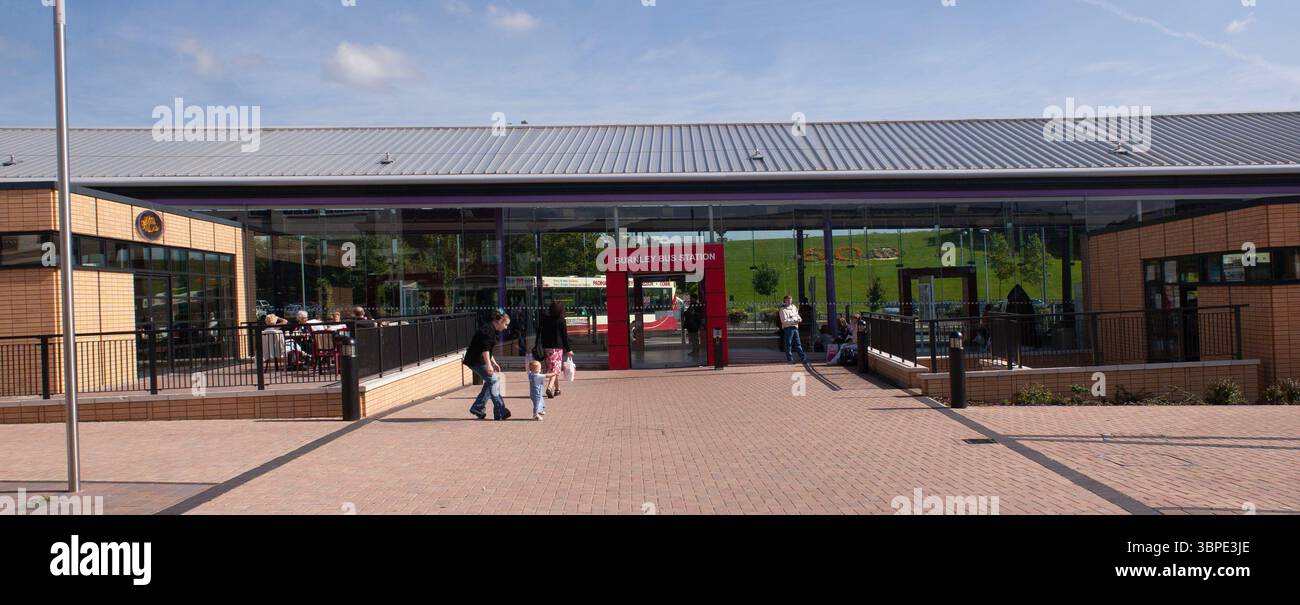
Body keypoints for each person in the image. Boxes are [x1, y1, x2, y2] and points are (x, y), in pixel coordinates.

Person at [463, 310, 511, 421]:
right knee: (493, 381)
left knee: (491, 382)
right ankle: (500, 411)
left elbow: (488, 349)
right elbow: (485, 350)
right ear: (500, 321)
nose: (506, 327)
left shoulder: (492, 330)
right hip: (476, 360)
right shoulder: (487, 330)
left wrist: (493, 363)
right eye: (505, 324)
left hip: (479, 360)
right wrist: (489, 365)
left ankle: (478, 407)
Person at [539, 301, 573, 399]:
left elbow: (542, 334)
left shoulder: (545, 319)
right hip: (557, 348)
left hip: (547, 348)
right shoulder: (561, 320)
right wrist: (568, 349)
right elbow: (564, 337)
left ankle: (557, 389)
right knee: (555, 369)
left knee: (552, 368)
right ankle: (549, 388)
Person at [779, 295, 808, 364]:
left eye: (790, 300)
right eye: (788, 300)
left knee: (798, 344)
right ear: (785, 301)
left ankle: (803, 358)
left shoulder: (794, 307)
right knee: (788, 344)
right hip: (788, 328)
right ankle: (790, 359)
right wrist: (793, 321)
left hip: (795, 327)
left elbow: (797, 315)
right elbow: (784, 321)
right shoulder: (782, 309)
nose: (790, 301)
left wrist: (799, 319)